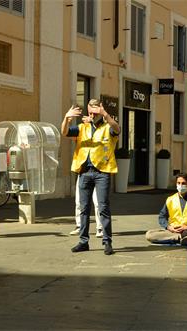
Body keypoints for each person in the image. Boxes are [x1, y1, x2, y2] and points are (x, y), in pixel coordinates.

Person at [61, 99, 120, 255]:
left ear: (100, 110)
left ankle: (107, 242)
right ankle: (83, 241)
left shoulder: (108, 127)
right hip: (84, 172)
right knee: (84, 208)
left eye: (95, 111)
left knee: (103, 207)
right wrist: (66, 118)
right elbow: (65, 132)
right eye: (90, 111)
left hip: (102, 172)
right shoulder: (82, 127)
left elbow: (117, 129)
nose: (91, 114)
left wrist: (105, 114)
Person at [145, 173, 187, 246]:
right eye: (178, 183)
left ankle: (181, 239)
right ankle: (180, 238)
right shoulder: (170, 199)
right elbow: (162, 217)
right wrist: (169, 227)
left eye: (183, 183)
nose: (180, 186)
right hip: (174, 231)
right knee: (149, 235)